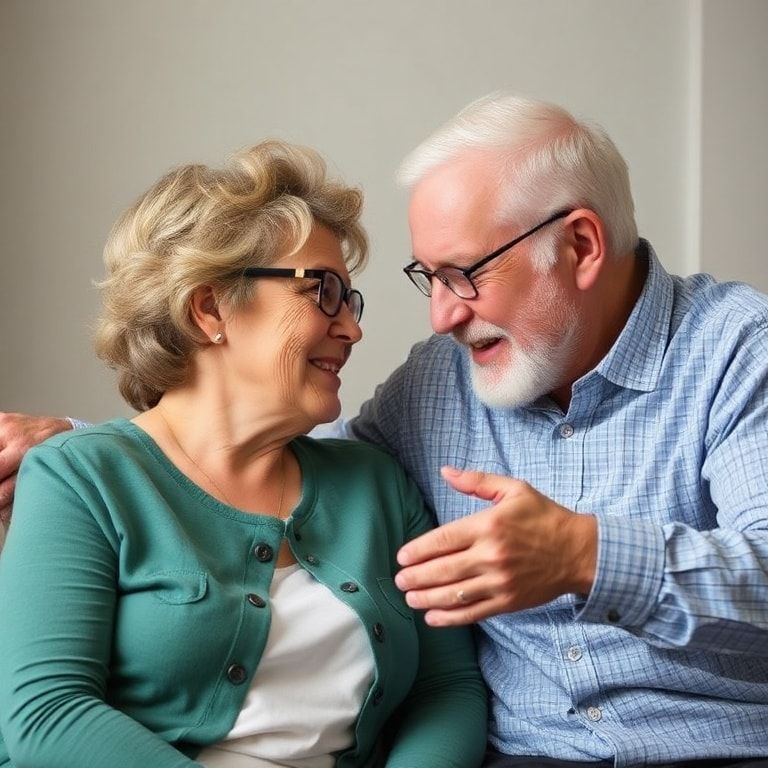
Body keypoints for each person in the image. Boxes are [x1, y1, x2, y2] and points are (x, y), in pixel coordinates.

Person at [2, 92, 768, 768]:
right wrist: (77, 457)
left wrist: (583, 556)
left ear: (580, 246)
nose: (440, 317)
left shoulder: (739, 351)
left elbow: (429, 659)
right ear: (210, 310)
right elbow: (248, 476)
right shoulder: (439, 382)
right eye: (428, 279)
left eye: (465, 273)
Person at [0, 140, 487, 768]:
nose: (352, 327)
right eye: (324, 292)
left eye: (350, 298)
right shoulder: (78, 477)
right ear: (210, 309)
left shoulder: (376, 484)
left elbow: (445, 689)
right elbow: (46, 714)